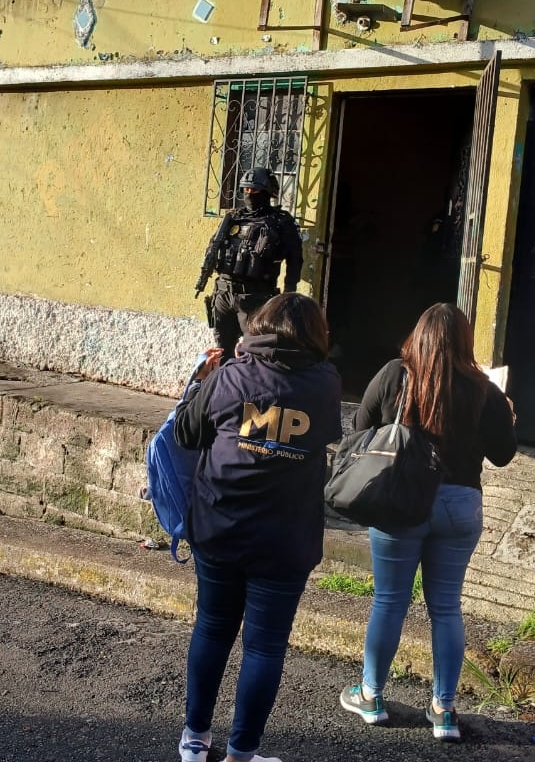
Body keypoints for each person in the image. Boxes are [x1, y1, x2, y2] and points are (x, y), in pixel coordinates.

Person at [173, 293, 342, 762]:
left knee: (211, 628)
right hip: (285, 538)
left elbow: (188, 433)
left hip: (220, 525)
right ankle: (241, 754)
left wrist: (202, 383)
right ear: (315, 335)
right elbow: (325, 434)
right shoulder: (324, 384)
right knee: (264, 648)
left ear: (259, 326)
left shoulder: (230, 375)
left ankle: (193, 742)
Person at [338, 302, 516, 743]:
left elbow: (360, 429)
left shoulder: (395, 375)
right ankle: (444, 711)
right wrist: (507, 413)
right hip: (459, 505)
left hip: (400, 499)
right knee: (446, 607)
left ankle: (372, 696)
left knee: (389, 601)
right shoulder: (483, 389)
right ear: (464, 341)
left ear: (417, 336)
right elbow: (503, 454)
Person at [204, 168, 304, 360]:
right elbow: (214, 247)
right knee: (222, 348)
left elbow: (295, 258)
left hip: (256, 296)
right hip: (223, 293)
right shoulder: (233, 218)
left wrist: (289, 292)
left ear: (267, 193)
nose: (249, 195)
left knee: (256, 350)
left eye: (255, 191)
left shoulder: (281, 222)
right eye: (246, 190)